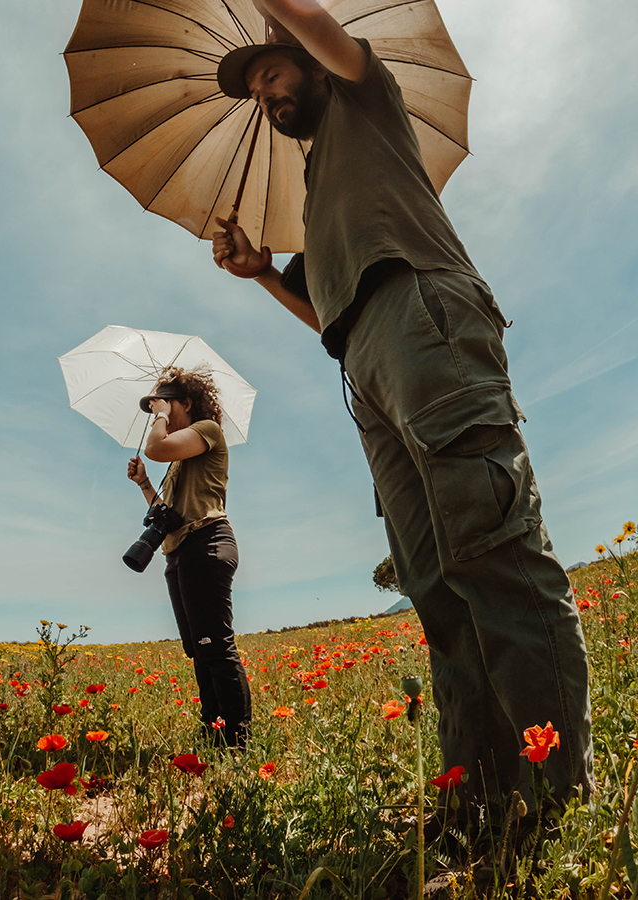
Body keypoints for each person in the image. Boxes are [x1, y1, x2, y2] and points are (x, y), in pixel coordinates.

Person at [208, 0, 592, 811]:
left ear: (314, 63)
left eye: (272, 71)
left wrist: (285, 21)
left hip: (424, 315)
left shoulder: (365, 94)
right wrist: (267, 277)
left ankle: (559, 807)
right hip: (365, 359)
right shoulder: (317, 193)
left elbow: (309, 18)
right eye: (256, 90)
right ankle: (481, 803)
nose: (265, 92)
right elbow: (330, 317)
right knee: (435, 584)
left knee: (495, 553)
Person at [127, 367, 252, 750]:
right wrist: (146, 483)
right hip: (180, 551)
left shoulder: (209, 430)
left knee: (216, 645)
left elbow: (155, 446)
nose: (157, 413)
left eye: (164, 403)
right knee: (198, 650)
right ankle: (214, 737)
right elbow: (168, 514)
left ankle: (239, 744)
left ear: (186, 402)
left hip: (207, 543)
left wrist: (160, 416)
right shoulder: (179, 462)